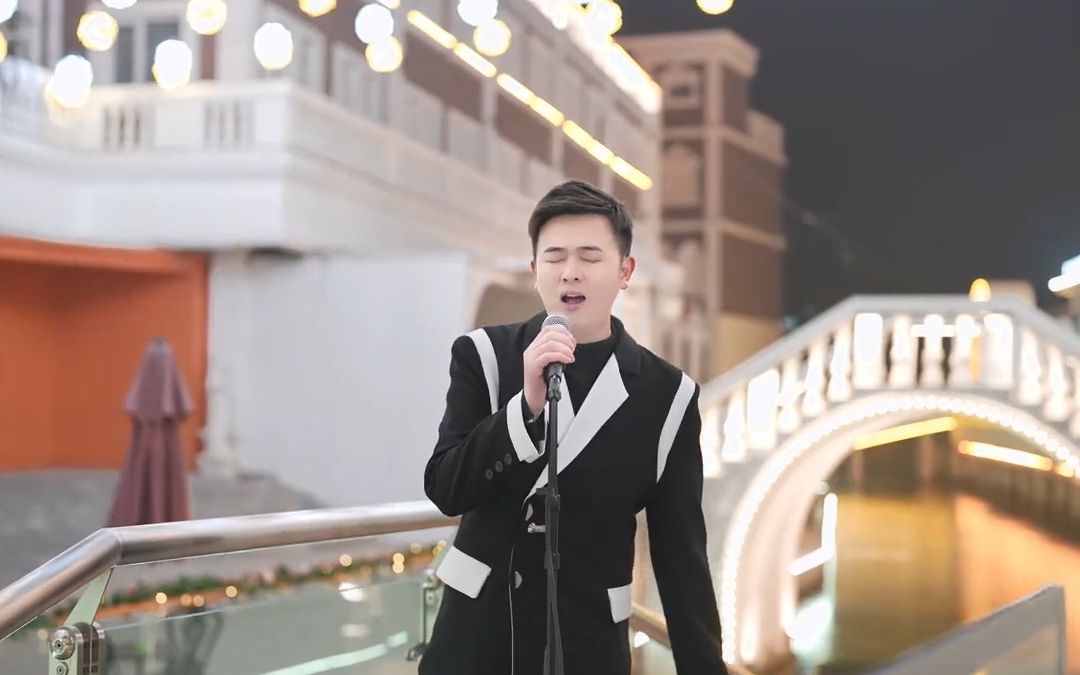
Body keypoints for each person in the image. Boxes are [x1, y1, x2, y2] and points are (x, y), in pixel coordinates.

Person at [421, 180, 726, 674]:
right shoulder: (485, 356)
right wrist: (526, 409)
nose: (570, 272)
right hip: (476, 644)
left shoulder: (668, 397)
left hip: (589, 647)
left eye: (589, 256)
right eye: (555, 256)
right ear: (534, 269)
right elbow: (446, 488)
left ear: (625, 271)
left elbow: (681, 557)